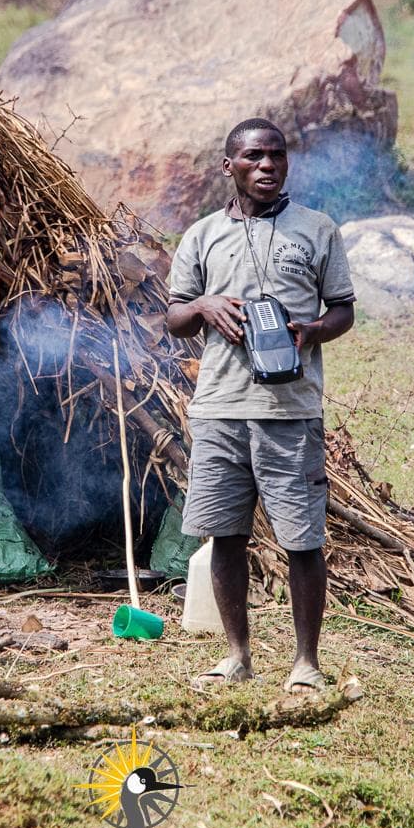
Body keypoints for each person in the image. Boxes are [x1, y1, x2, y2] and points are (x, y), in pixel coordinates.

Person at [165, 117, 356, 692]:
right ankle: (237, 655)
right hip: (220, 407)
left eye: (277, 155)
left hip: (291, 410)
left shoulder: (317, 230)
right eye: (254, 156)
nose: (268, 165)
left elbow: (344, 309)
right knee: (225, 534)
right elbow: (172, 319)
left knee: (302, 538)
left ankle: (306, 663)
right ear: (230, 167)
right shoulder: (201, 235)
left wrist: (313, 330)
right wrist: (203, 307)